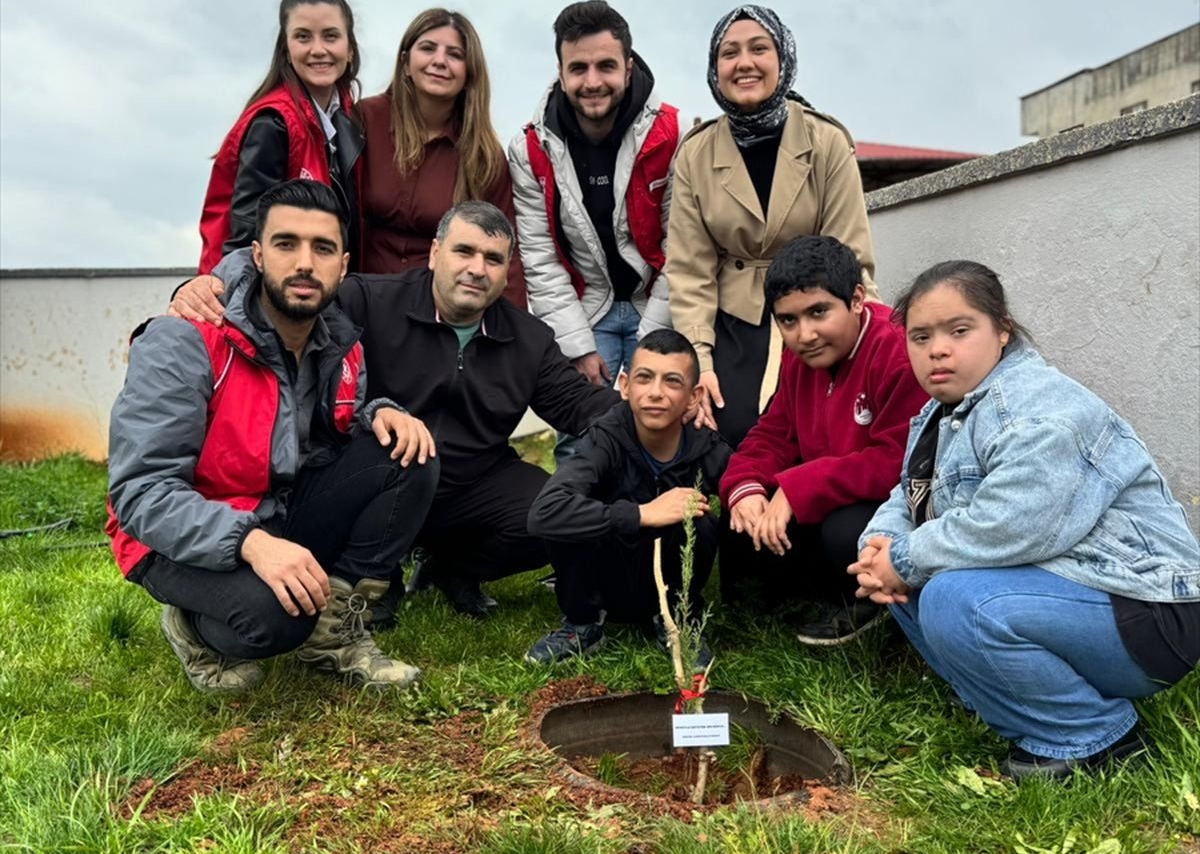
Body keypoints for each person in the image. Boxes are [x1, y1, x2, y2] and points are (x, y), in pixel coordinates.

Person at [175, 202, 616, 621]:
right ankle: (368, 578)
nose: (477, 269)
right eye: (464, 251)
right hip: (378, 475)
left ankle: (451, 569)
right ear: (435, 252)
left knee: (557, 512)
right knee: (389, 456)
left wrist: (660, 416)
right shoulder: (366, 301)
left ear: (506, 273)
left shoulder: (529, 339)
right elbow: (293, 288)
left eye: (493, 259)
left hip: (471, 484)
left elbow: (581, 405)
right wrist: (211, 282)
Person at [850, 260, 1200, 780]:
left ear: (1003, 330)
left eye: (959, 330)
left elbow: (1012, 524)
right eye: (920, 336)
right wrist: (880, 542)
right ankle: (1012, 701)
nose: (937, 349)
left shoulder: (1036, 407)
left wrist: (903, 558)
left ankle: (1095, 737)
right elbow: (908, 494)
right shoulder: (940, 413)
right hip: (1075, 596)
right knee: (904, 585)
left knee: (947, 595)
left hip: (1147, 611)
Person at [109, 181, 435, 693]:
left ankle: (334, 633)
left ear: (343, 265)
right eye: (286, 244)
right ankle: (191, 624)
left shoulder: (339, 343)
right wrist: (251, 543)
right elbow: (140, 495)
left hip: (272, 514)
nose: (305, 262)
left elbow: (332, 435)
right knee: (276, 618)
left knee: (409, 452)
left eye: (322, 248)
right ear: (257, 255)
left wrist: (380, 413)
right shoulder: (185, 340)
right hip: (169, 539)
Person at [666, 3, 877, 450]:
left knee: (827, 434)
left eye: (759, 48)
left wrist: (869, 346)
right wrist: (698, 361)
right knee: (727, 432)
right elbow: (690, 272)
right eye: (729, 53)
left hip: (814, 312)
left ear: (783, 59)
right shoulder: (696, 153)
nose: (744, 63)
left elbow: (851, 255)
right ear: (714, 67)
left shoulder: (826, 141)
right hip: (732, 319)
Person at [720, 236, 927, 643]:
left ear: (856, 299)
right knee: (741, 518)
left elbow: (898, 460)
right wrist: (745, 487)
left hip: (891, 505)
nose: (805, 334)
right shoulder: (799, 358)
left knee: (845, 530)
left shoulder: (897, 351)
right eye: (788, 320)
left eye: (818, 312)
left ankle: (869, 608)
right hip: (827, 493)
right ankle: (782, 600)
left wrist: (799, 488)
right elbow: (774, 432)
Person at [508, 0, 678, 437]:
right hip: (587, 308)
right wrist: (577, 346)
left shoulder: (671, 138)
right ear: (561, 73)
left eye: (606, 66)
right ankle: (581, 508)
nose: (593, 81)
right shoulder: (531, 150)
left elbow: (685, 253)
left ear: (629, 65)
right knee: (580, 438)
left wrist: (652, 344)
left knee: (662, 432)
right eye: (578, 68)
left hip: (658, 301)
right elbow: (540, 259)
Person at [525, 330, 729, 663]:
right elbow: (543, 513)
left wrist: (755, 499)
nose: (656, 393)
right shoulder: (603, 438)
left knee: (701, 520)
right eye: (644, 378)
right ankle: (582, 625)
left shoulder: (705, 446)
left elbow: (742, 485)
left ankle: (678, 620)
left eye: (672, 382)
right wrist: (642, 513)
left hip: (669, 582)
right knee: (568, 516)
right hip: (603, 581)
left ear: (693, 397)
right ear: (624, 385)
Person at [358, 7, 526, 304]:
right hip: (358, 302)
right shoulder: (363, 121)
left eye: (455, 55)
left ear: (469, 73)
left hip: (441, 314)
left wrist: (509, 336)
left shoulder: (484, 156)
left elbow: (506, 253)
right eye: (427, 48)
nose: (439, 61)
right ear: (405, 62)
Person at [199, 0, 364, 271]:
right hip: (266, 297)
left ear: (349, 48)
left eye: (330, 36)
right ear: (286, 51)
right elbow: (246, 241)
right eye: (303, 37)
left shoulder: (348, 119)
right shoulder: (273, 123)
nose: (318, 49)